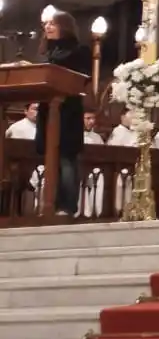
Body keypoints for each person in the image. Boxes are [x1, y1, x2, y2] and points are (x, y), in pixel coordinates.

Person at [34, 11, 92, 216]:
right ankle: (50, 203)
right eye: (46, 24)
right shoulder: (45, 52)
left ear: (64, 26)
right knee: (52, 159)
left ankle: (67, 206)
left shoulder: (79, 50)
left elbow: (82, 79)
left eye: (53, 24)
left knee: (67, 159)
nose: (48, 27)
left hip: (67, 111)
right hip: (47, 110)